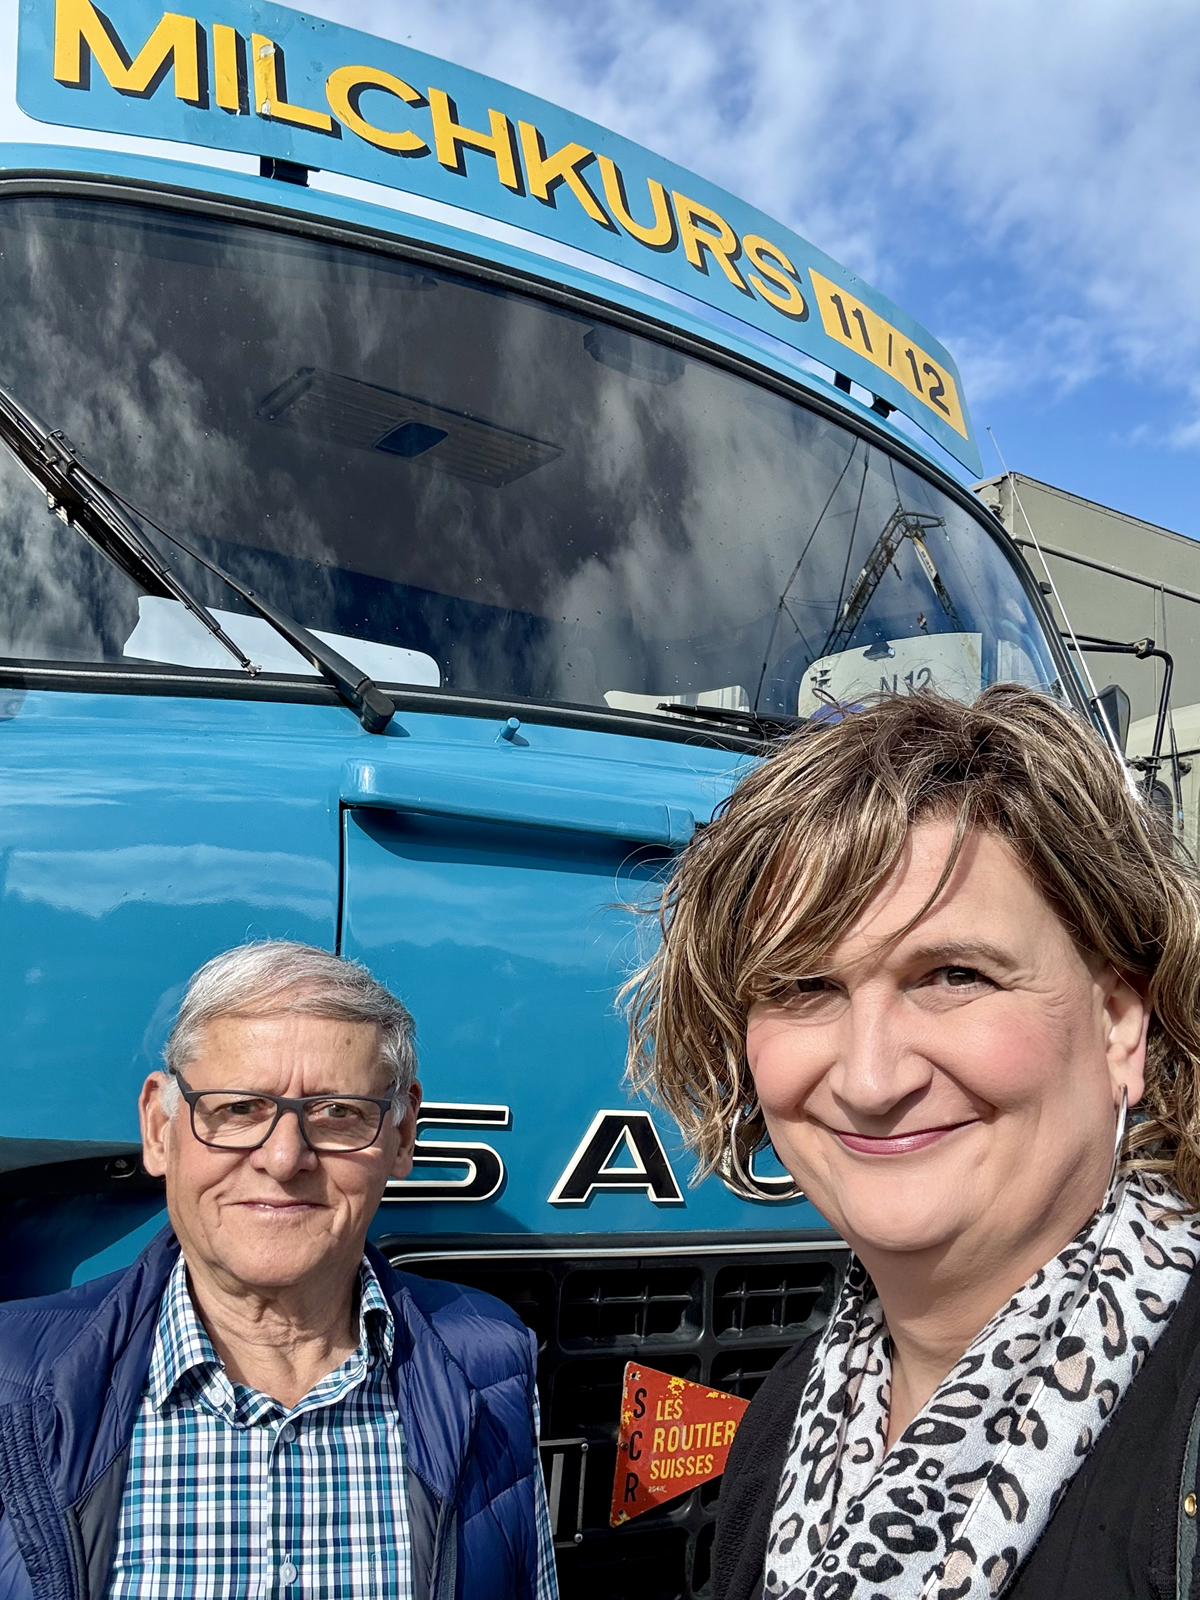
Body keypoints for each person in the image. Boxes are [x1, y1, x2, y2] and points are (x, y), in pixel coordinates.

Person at [626, 685, 1200, 1600]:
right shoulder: (783, 1421)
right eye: (804, 986)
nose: (870, 1079)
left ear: (1118, 1026)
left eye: (954, 975)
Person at [0, 941, 558, 1600]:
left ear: (403, 1136)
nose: (284, 1158)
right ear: (159, 1128)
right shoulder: (12, 1378)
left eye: (339, 1113)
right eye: (239, 1109)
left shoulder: (491, 1363)